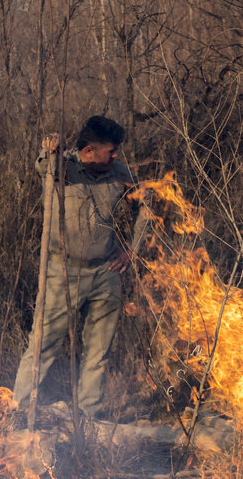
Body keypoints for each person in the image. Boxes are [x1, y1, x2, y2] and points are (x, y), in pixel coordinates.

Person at [13, 115, 147, 421]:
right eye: (110, 151)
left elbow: (148, 204)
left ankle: (88, 416)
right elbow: (44, 165)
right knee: (42, 344)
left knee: (99, 351)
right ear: (88, 151)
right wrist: (51, 149)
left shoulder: (120, 175)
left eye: (116, 151)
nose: (115, 156)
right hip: (62, 273)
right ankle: (18, 411)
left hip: (107, 273)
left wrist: (131, 249)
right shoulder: (63, 169)